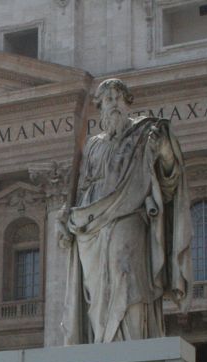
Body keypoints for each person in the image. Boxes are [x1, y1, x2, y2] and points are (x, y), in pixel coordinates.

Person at [60, 78, 191, 344]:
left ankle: (132, 341)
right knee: (97, 290)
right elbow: (82, 186)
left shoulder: (146, 134)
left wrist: (164, 151)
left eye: (119, 99)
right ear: (100, 107)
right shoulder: (93, 145)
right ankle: (104, 343)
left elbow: (169, 182)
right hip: (92, 225)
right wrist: (68, 217)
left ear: (128, 103)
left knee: (126, 272)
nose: (115, 104)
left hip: (130, 214)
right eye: (108, 100)